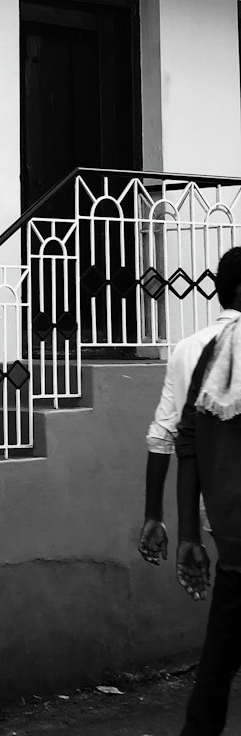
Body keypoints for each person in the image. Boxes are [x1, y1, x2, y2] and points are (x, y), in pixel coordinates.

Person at [138, 248, 241, 566]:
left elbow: (163, 435)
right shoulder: (222, 346)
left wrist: (154, 515)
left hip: (212, 506)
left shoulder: (186, 349)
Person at [174, 311, 241, 735]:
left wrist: (187, 535)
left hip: (233, 549)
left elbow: (187, 438)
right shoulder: (217, 350)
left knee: (213, 679)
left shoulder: (217, 352)